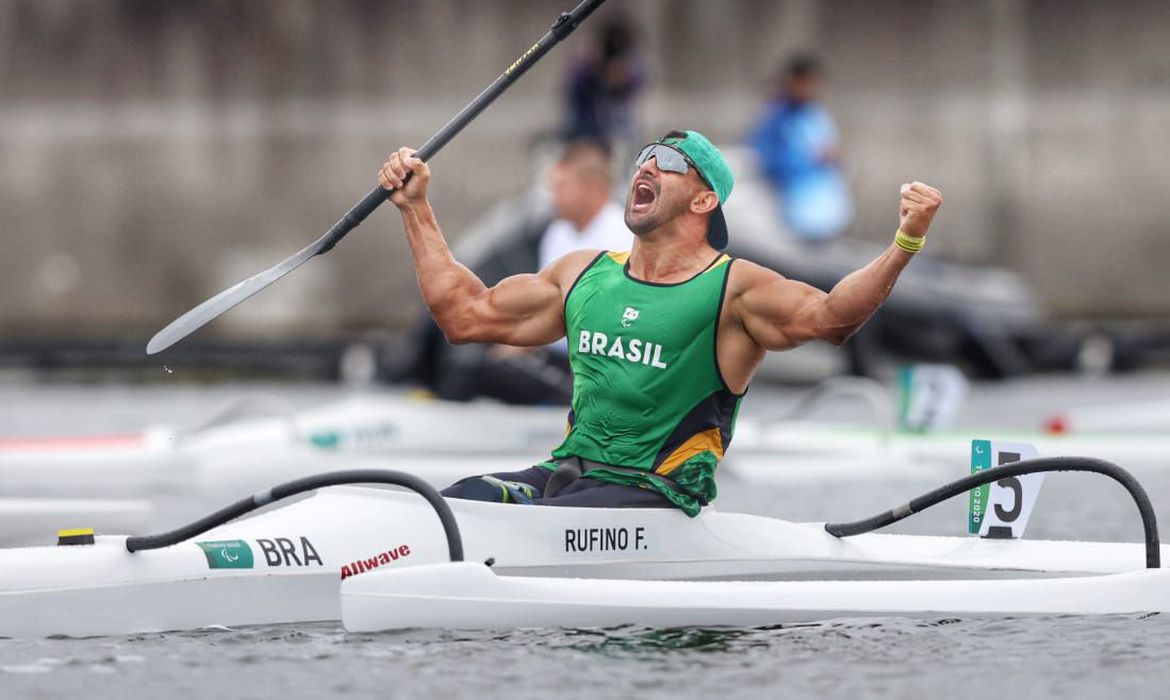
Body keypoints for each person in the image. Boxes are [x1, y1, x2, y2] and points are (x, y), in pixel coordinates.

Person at [378, 130, 941, 515]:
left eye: (669, 163)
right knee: (453, 501)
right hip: (566, 478)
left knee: (537, 516)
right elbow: (464, 315)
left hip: (656, 495)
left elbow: (832, 318)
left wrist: (905, 242)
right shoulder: (582, 274)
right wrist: (415, 209)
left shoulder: (736, 288)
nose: (647, 166)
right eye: (645, 157)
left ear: (703, 202)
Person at [749, 54, 853, 242]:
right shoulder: (776, 119)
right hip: (798, 211)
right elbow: (768, 162)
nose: (810, 88)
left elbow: (834, 154)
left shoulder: (815, 113)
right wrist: (812, 159)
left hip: (827, 211)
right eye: (806, 82)